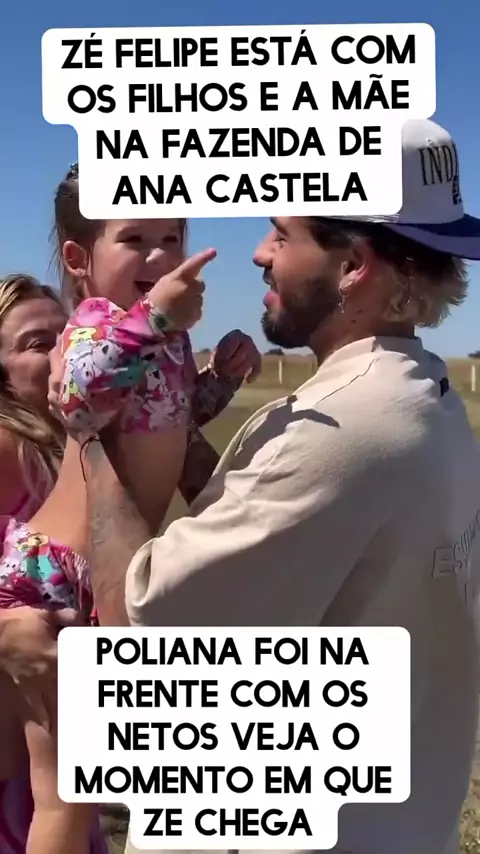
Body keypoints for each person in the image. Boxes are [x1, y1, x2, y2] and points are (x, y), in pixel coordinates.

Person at [47, 117, 480, 854]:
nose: (258, 252)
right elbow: (274, 535)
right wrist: (166, 419)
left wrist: (94, 437)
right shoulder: (420, 401)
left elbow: (135, 630)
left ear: (353, 265)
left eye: (282, 234)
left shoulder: (343, 431)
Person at [0, 164, 261, 854]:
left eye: (171, 237)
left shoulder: (158, 341)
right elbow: (80, 395)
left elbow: (170, 419)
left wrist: (223, 378)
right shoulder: (94, 327)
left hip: (101, 570)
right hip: (55, 572)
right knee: (63, 791)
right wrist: (158, 317)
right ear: (79, 259)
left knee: (59, 778)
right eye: (135, 238)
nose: (158, 256)